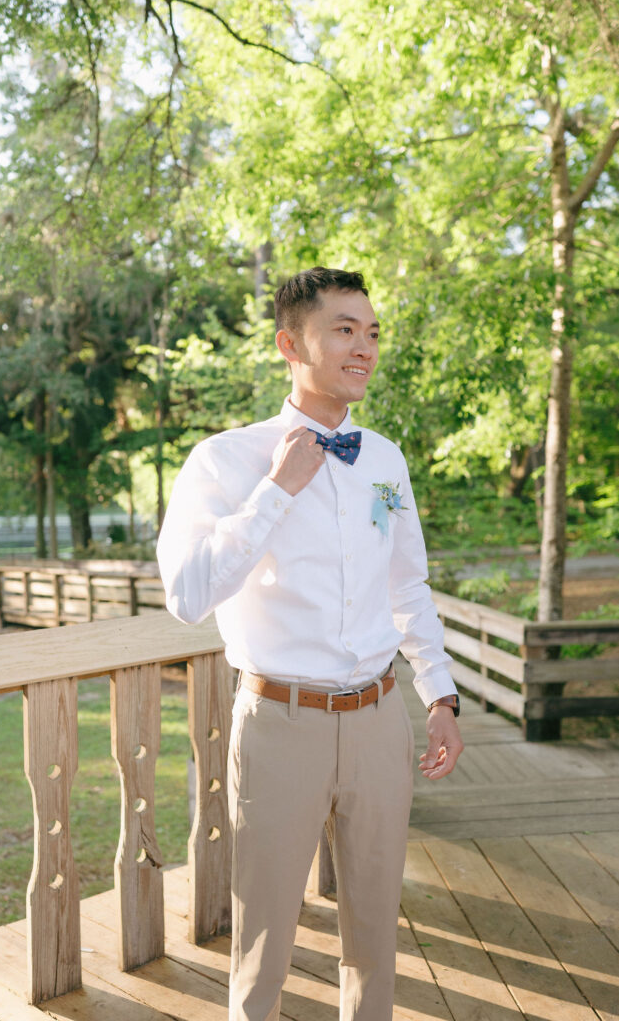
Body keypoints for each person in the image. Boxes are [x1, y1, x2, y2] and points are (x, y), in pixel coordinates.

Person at [157, 266, 463, 1021]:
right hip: (278, 723)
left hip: (377, 719)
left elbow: (408, 589)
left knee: (373, 927)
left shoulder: (384, 460)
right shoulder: (224, 462)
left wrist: (440, 694)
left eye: (371, 332)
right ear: (289, 343)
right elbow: (187, 597)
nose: (363, 348)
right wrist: (276, 491)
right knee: (263, 930)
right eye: (343, 330)